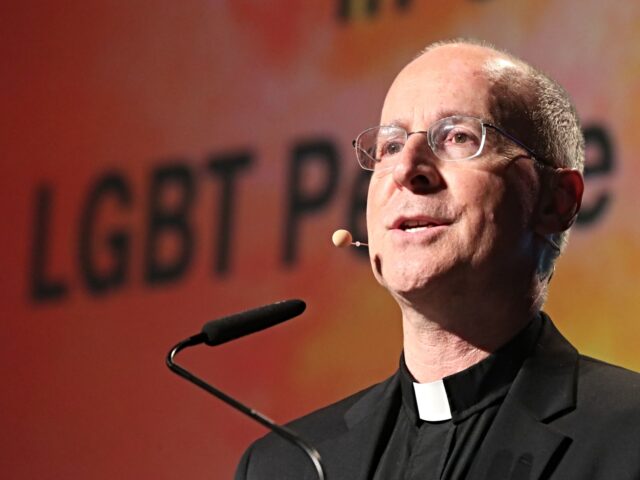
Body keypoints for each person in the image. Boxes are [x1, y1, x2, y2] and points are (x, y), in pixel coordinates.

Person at [235, 39, 640, 480]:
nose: (408, 169)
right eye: (389, 146)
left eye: (457, 137)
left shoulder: (627, 434)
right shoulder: (285, 465)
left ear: (555, 202)